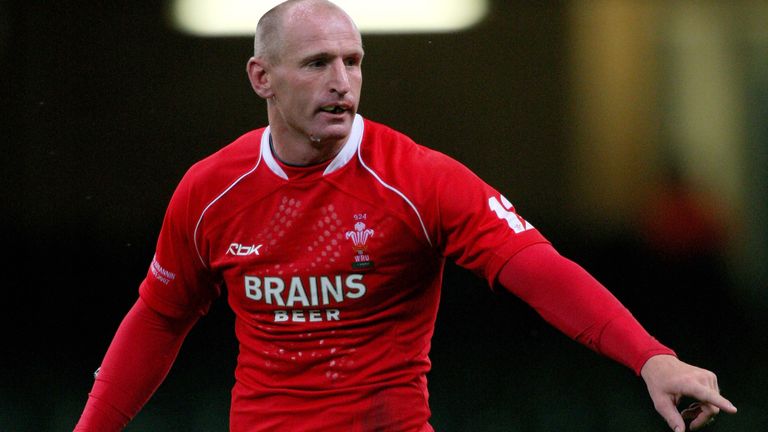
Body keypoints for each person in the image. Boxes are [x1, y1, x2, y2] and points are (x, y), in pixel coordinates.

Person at [73, 1, 736, 431]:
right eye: (317, 63)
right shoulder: (211, 191)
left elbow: (536, 267)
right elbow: (160, 316)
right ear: (260, 77)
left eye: (353, 62)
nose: (342, 80)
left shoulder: (418, 180)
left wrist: (649, 357)